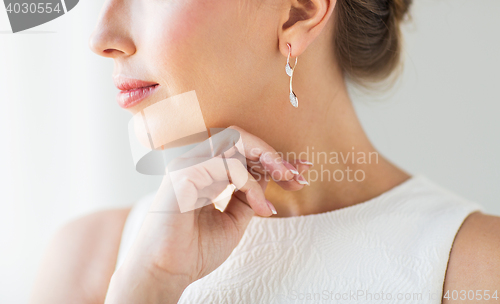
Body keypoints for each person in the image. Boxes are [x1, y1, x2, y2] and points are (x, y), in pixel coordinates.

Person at [29, 0, 500, 303]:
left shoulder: (477, 270)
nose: (101, 38)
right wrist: (147, 286)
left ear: (298, 12)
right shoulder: (90, 262)